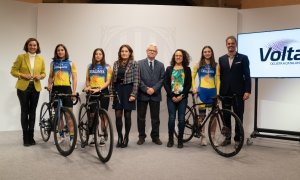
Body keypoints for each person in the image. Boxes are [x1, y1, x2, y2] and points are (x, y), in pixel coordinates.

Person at [10, 38, 46, 146]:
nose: (32, 47)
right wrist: (22, 75)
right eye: (30, 45)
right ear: (27, 46)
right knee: (25, 111)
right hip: (23, 87)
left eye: (34, 45)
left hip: (35, 87)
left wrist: (40, 76)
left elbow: (44, 73)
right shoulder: (21, 57)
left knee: (33, 111)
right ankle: (25, 138)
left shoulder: (41, 59)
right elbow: (13, 71)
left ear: (37, 46)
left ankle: (31, 137)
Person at [218, 36, 251, 147]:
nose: (230, 45)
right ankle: (227, 139)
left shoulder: (243, 58)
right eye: (228, 43)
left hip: (239, 92)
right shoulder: (221, 59)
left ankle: (237, 139)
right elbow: (221, 77)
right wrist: (219, 92)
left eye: (232, 43)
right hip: (225, 93)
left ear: (235, 44)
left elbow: (247, 75)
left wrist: (247, 90)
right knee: (226, 116)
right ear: (226, 45)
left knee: (238, 116)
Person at [110, 44, 140, 148]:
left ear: (130, 53)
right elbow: (112, 80)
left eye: (126, 51)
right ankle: (119, 137)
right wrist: (111, 92)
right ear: (120, 53)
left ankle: (126, 137)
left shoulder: (134, 64)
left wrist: (134, 94)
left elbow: (136, 80)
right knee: (118, 115)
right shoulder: (116, 63)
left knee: (127, 115)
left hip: (128, 90)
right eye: (122, 51)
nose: (124, 53)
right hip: (118, 90)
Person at [47, 44, 77, 146]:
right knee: (58, 115)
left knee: (69, 116)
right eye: (58, 50)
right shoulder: (53, 63)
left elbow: (74, 78)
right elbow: (51, 76)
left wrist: (73, 91)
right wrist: (49, 85)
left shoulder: (70, 63)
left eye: (62, 50)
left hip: (67, 89)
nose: (60, 52)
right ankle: (61, 135)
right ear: (56, 52)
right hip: (56, 89)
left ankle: (72, 138)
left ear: (65, 51)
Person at [136, 43, 165, 145]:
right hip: (142, 94)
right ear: (146, 51)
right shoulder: (139, 63)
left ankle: (155, 137)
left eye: (154, 51)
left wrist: (154, 89)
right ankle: (141, 137)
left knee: (155, 118)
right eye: (150, 50)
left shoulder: (161, 65)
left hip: (155, 95)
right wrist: (145, 89)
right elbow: (137, 79)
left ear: (156, 53)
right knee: (141, 118)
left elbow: (162, 80)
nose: (152, 52)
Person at [192, 46, 220, 146]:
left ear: (211, 53)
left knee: (214, 116)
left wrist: (218, 92)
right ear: (202, 53)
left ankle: (213, 138)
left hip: (212, 93)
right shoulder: (199, 64)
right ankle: (203, 137)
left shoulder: (216, 65)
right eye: (205, 52)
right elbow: (192, 76)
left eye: (209, 51)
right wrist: (194, 87)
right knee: (202, 116)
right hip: (202, 93)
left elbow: (218, 80)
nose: (207, 53)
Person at [164, 49, 191, 148]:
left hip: (182, 98)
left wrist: (181, 96)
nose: (178, 57)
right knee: (171, 118)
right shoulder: (169, 69)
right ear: (174, 57)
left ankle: (180, 140)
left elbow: (188, 85)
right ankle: (170, 140)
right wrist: (172, 96)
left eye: (180, 56)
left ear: (183, 57)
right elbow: (166, 84)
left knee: (181, 119)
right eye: (176, 55)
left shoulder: (187, 69)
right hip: (171, 98)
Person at [84, 48, 112, 145]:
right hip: (92, 91)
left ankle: (104, 135)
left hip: (103, 91)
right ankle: (92, 136)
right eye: (96, 54)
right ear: (94, 55)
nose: (98, 55)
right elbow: (87, 79)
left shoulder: (107, 67)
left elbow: (108, 81)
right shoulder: (89, 66)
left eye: (100, 54)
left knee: (103, 115)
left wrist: (99, 89)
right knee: (92, 115)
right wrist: (88, 86)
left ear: (103, 55)